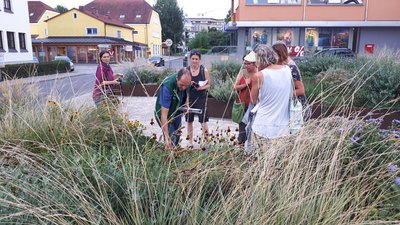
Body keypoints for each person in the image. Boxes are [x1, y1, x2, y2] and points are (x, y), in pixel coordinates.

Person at [250, 44, 292, 141]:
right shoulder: (287, 70)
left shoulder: (259, 76)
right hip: (283, 127)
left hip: (262, 126)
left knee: (261, 155)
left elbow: (253, 100)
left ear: (259, 60)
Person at [272, 41, 311, 121]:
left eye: (273, 53)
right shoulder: (276, 66)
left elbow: (301, 90)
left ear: (279, 54)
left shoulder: (291, 67)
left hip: (294, 107)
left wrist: (283, 95)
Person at [155, 68, 192, 149]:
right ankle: (168, 157)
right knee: (171, 138)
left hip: (177, 111)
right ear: (176, 79)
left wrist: (186, 104)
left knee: (177, 134)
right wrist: (167, 137)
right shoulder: (168, 87)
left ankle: (175, 153)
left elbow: (187, 92)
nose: (184, 87)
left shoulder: (186, 82)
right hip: (164, 114)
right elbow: (163, 115)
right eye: (181, 85)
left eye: (186, 85)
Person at [186, 50, 211, 145]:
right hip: (189, 98)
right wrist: (189, 83)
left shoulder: (203, 70)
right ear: (190, 59)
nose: (194, 61)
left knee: (203, 121)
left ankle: (207, 142)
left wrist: (201, 87)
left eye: (196, 59)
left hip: (201, 98)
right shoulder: (187, 70)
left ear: (199, 60)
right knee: (189, 121)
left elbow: (209, 84)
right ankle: (190, 142)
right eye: (193, 59)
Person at [233, 51, 257, 145]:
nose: (246, 65)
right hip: (243, 105)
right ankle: (241, 149)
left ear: (254, 63)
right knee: (242, 130)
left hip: (254, 106)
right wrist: (245, 84)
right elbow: (235, 87)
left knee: (252, 130)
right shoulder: (243, 72)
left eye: (248, 63)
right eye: (244, 63)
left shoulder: (259, 73)